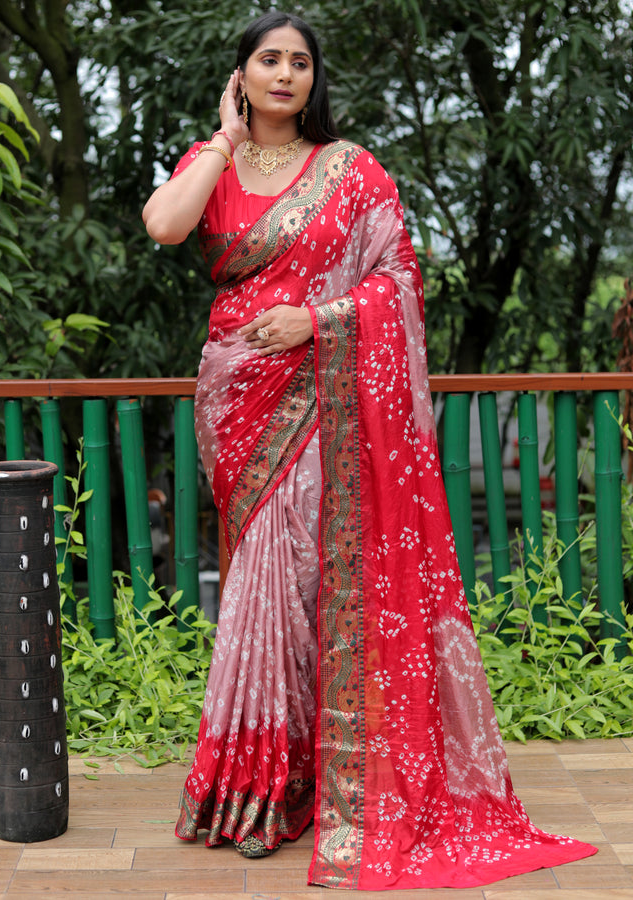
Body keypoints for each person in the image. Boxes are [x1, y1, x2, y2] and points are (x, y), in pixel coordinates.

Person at [142, 11, 597, 891]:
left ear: (317, 79)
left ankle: (314, 776)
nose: (285, 75)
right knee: (260, 586)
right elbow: (165, 226)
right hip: (238, 397)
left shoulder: (353, 171)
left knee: (318, 583)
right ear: (242, 74)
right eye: (268, 61)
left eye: (300, 63)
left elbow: (398, 281)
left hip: (322, 393)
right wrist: (221, 139)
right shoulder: (220, 161)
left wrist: (316, 320)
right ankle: (257, 784)